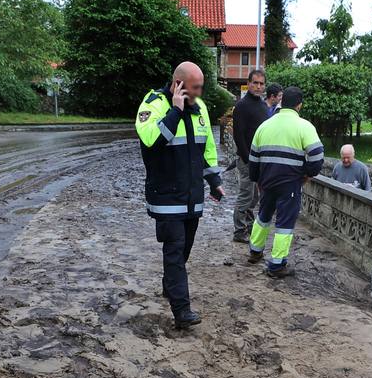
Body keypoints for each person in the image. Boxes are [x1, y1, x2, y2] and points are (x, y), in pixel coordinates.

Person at [135, 61, 223, 328]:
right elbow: (151, 140)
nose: (199, 93)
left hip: (192, 195)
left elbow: (205, 147)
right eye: (195, 88)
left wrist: (214, 180)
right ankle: (182, 311)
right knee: (174, 252)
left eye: (200, 88)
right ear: (178, 85)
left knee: (184, 250)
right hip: (166, 195)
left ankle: (170, 285)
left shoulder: (201, 108)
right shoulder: (153, 104)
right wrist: (175, 111)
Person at [247, 86, 323, 277]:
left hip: (266, 181)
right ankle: (277, 265)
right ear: (299, 105)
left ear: (281, 102)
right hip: (290, 182)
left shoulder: (265, 126)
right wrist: (308, 173)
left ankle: (255, 252)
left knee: (263, 216)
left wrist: (257, 179)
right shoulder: (304, 126)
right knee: (284, 224)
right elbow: (316, 155)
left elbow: (253, 157)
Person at [229, 69, 270, 242]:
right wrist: (247, 159)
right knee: (245, 194)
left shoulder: (263, 106)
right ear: (249, 83)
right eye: (255, 82)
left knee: (254, 196)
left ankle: (249, 225)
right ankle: (239, 231)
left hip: (259, 160)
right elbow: (238, 135)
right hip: (247, 159)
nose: (258, 86)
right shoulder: (242, 105)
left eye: (261, 83)